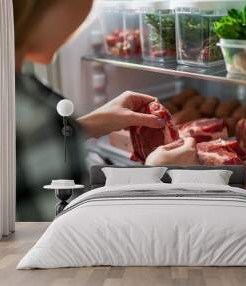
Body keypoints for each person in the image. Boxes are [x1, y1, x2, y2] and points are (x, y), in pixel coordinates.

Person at [13, 0, 198, 220]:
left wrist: (84, 127)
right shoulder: (35, 116)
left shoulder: (9, 91)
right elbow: (76, 237)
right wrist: (154, 174)